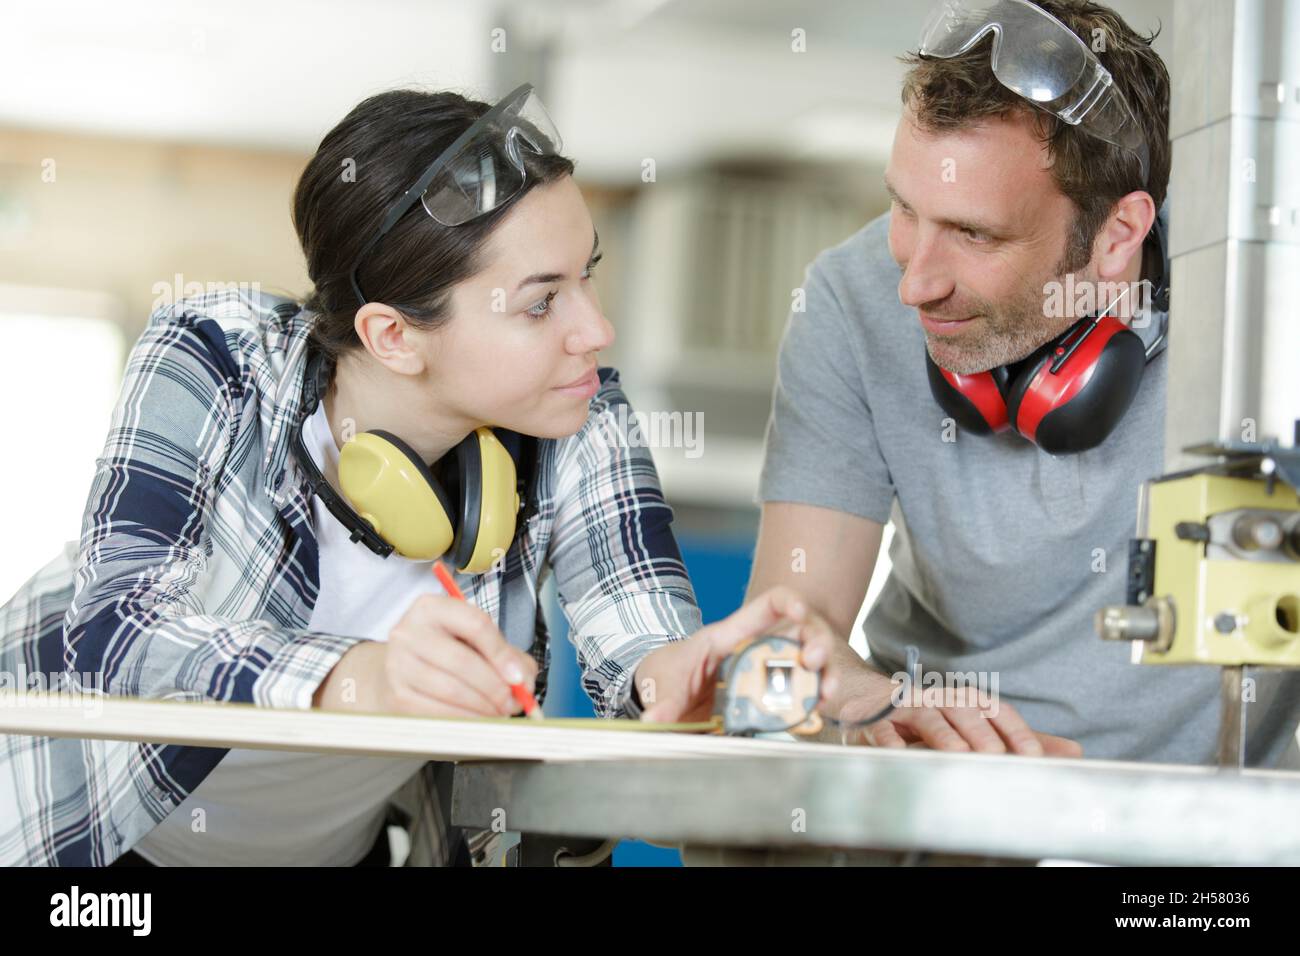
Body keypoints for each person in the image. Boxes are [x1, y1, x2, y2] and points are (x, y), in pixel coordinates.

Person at [0, 84, 837, 866]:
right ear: (395, 336)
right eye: (542, 302)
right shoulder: (216, 352)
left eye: (587, 273)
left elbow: (640, 641)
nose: (596, 329)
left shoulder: (577, 415)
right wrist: (362, 677)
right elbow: (116, 633)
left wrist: (693, 681)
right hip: (86, 838)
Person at [747, 0, 1300, 765]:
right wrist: (867, 700)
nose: (914, 284)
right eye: (904, 209)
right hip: (940, 810)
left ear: (1118, 236)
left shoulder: (1266, 303)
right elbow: (778, 648)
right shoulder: (849, 298)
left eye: (975, 233)